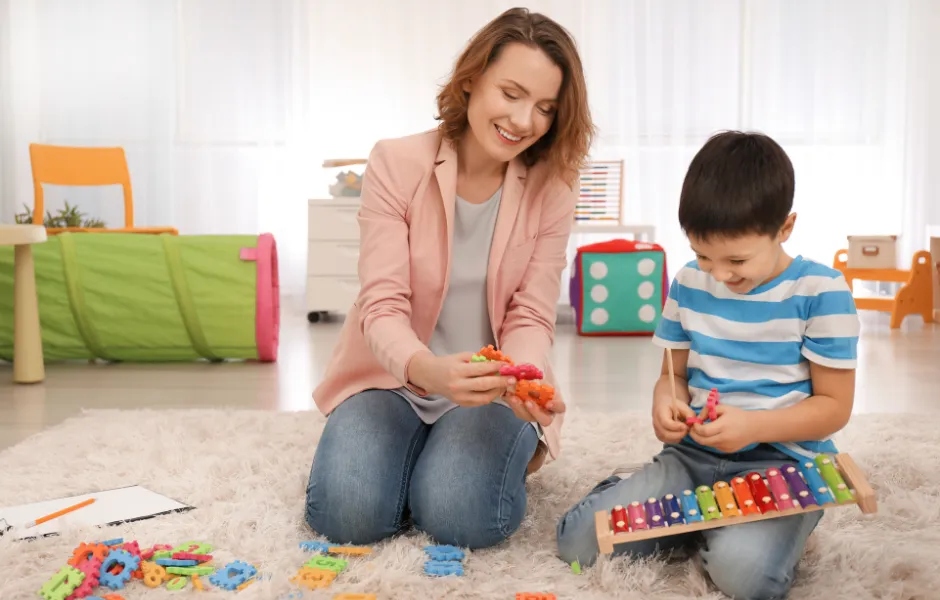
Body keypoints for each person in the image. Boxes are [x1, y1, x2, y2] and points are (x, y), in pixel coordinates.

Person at [305, 7, 595, 550]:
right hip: (393, 377)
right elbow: (381, 304)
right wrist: (427, 370)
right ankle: (419, 452)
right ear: (471, 81)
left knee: (460, 515)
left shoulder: (553, 187)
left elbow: (531, 313)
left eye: (545, 108)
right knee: (347, 514)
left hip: (491, 390)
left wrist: (520, 379)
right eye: (511, 93)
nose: (524, 120)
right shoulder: (396, 162)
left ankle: (451, 460)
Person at [555, 131, 860, 600]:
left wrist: (754, 426)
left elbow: (834, 407)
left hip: (782, 463)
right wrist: (666, 404)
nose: (718, 274)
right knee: (577, 543)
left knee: (748, 578)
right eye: (703, 255)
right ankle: (691, 510)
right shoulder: (688, 282)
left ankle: (748, 522)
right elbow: (672, 375)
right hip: (693, 455)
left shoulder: (822, 292)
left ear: (785, 227)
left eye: (737, 259)